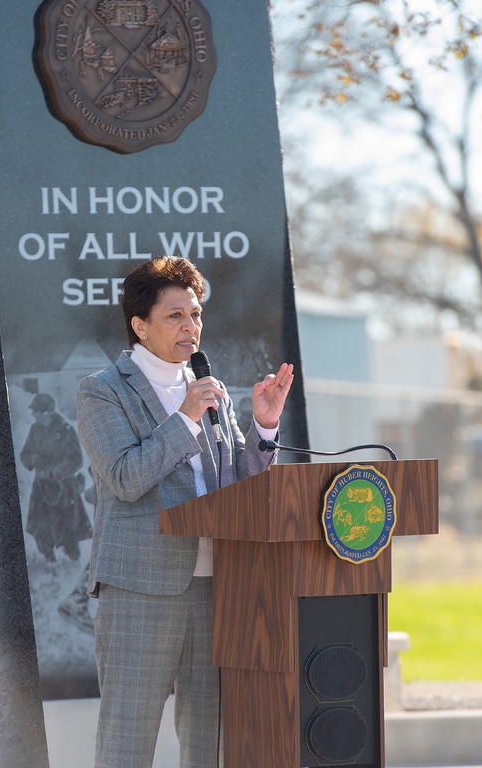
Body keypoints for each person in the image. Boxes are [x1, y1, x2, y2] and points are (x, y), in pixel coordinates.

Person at [76, 255, 294, 768]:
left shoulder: (209, 390)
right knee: (127, 742)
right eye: (175, 315)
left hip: (216, 583)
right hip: (140, 586)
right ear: (140, 325)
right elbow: (126, 479)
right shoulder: (104, 390)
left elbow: (239, 486)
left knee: (210, 742)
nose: (191, 326)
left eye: (196, 314)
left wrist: (264, 429)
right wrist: (185, 417)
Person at [19, 391, 92, 564]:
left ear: (48, 414)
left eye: (36, 412)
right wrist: (32, 459)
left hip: (64, 489)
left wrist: (58, 471)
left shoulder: (66, 430)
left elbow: (77, 460)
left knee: (67, 530)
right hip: (41, 488)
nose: (33, 415)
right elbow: (24, 454)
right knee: (40, 528)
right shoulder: (34, 429)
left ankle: (72, 564)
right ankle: (49, 561)